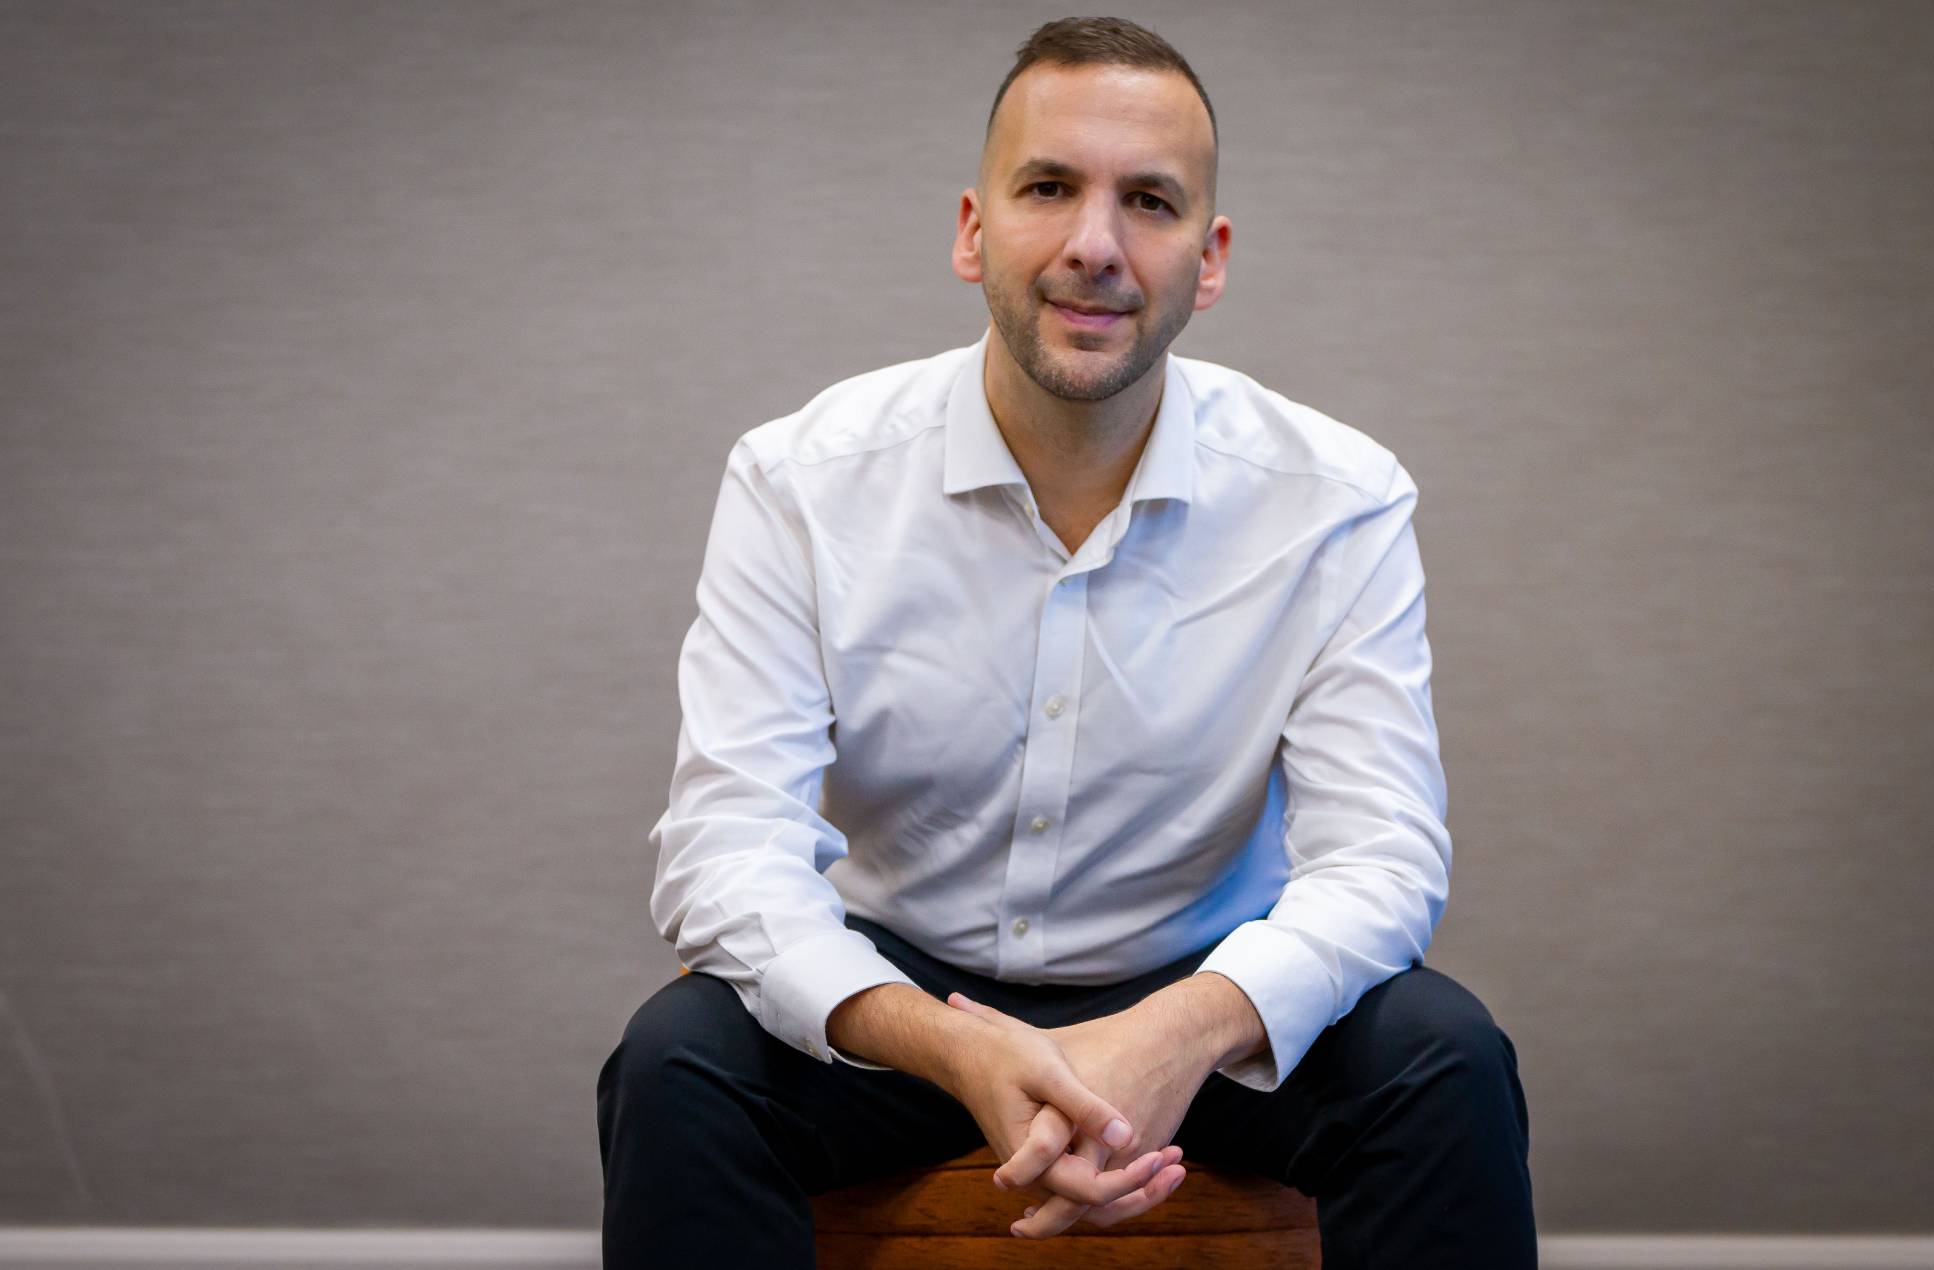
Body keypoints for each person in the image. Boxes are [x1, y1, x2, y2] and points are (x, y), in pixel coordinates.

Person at [598, 15, 1535, 1267]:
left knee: (1443, 1058)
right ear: (974, 227)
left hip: (1204, 987)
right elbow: (724, 851)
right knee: (674, 1066)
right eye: (1049, 188)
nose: (1094, 245)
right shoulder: (799, 478)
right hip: (907, 1002)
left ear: (1205, 260)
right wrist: (952, 1041)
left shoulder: (1337, 498)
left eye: (1146, 201)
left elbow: (1382, 858)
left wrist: (1178, 1032)